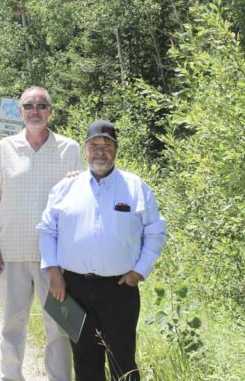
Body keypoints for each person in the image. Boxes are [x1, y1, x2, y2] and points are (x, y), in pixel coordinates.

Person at [37, 120, 167, 381]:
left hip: (120, 289)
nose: (100, 151)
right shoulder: (65, 188)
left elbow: (155, 232)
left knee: (123, 360)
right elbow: (47, 230)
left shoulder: (135, 188)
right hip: (73, 288)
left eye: (107, 145)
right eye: (94, 145)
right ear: (85, 149)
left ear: (116, 150)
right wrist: (54, 273)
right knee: (84, 360)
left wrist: (139, 271)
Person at [0, 86, 82, 381]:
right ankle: (11, 377)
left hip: (54, 259)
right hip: (11, 253)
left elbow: (80, 197)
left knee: (59, 327)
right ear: (20, 112)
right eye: (29, 105)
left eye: (42, 105)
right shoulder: (4, 149)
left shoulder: (70, 148)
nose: (35, 110)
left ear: (50, 111)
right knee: (12, 325)